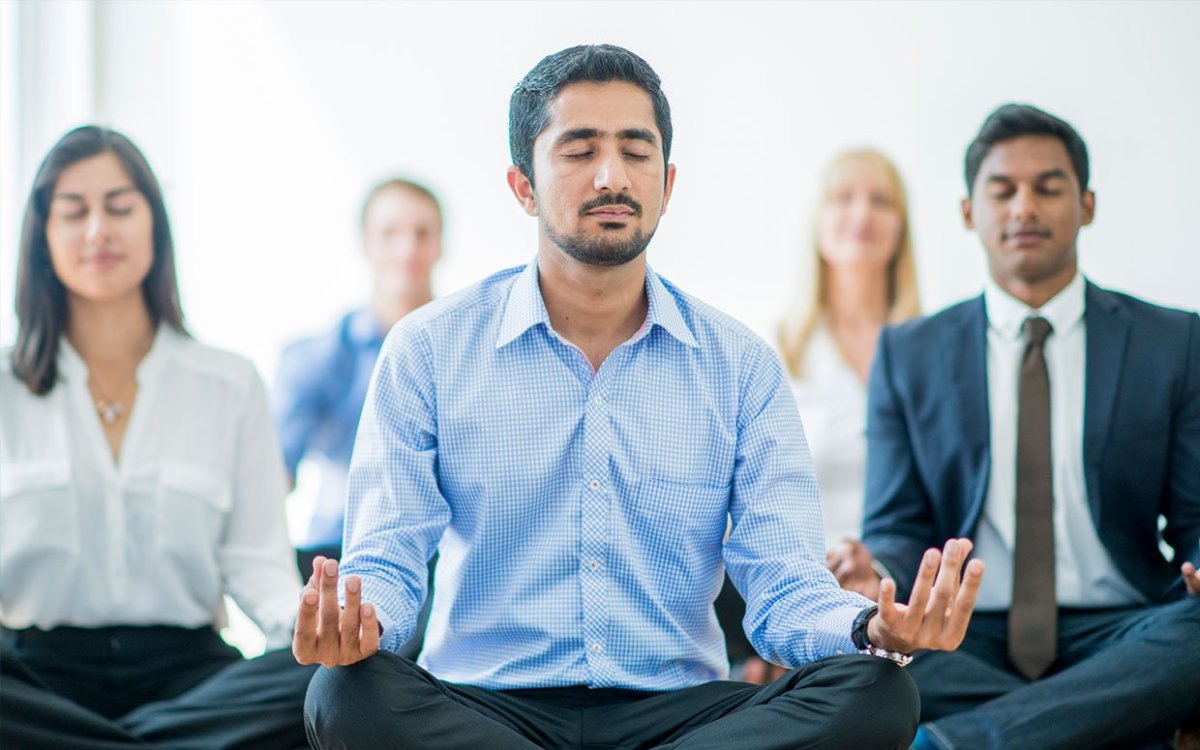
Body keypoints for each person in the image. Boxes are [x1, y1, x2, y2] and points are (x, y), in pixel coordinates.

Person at [294, 44, 985, 750]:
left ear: (667, 182)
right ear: (523, 186)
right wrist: (359, 622)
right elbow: (387, 560)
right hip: (486, 706)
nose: (612, 177)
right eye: (579, 151)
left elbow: (784, 585)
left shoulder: (740, 364)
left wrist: (870, 628)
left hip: (679, 712)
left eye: (635, 151)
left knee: (878, 689)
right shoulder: (428, 349)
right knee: (344, 691)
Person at [842, 104, 1200, 749]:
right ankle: (1100, 722)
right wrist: (876, 570)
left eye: (1048, 188)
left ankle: (956, 743)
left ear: (1087, 204)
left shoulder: (1172, 343)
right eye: (1002, 190)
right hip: (962, 631)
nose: (1024, 208)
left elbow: (1194, 519)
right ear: (968, 211)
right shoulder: (909, 354)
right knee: (860, 659)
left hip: (1122, 627)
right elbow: (895, 525)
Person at [0, 125, 316, 749]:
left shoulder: (229, 383)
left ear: (154, 225)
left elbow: (259, 566)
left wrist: (313, 634)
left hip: (189, 680)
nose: (98, 230)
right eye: (74, 212)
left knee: (336, 680)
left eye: (119, 208)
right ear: (43, 236)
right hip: (37, 680)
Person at [273, 178, 442, 574]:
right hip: (339, 554)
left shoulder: (472, 352)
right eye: (390, 233)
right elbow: (273, 474)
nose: (408, 249)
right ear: (366, 243)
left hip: (443, 557)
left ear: (439, 245)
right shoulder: (315, 358)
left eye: (422, 233)